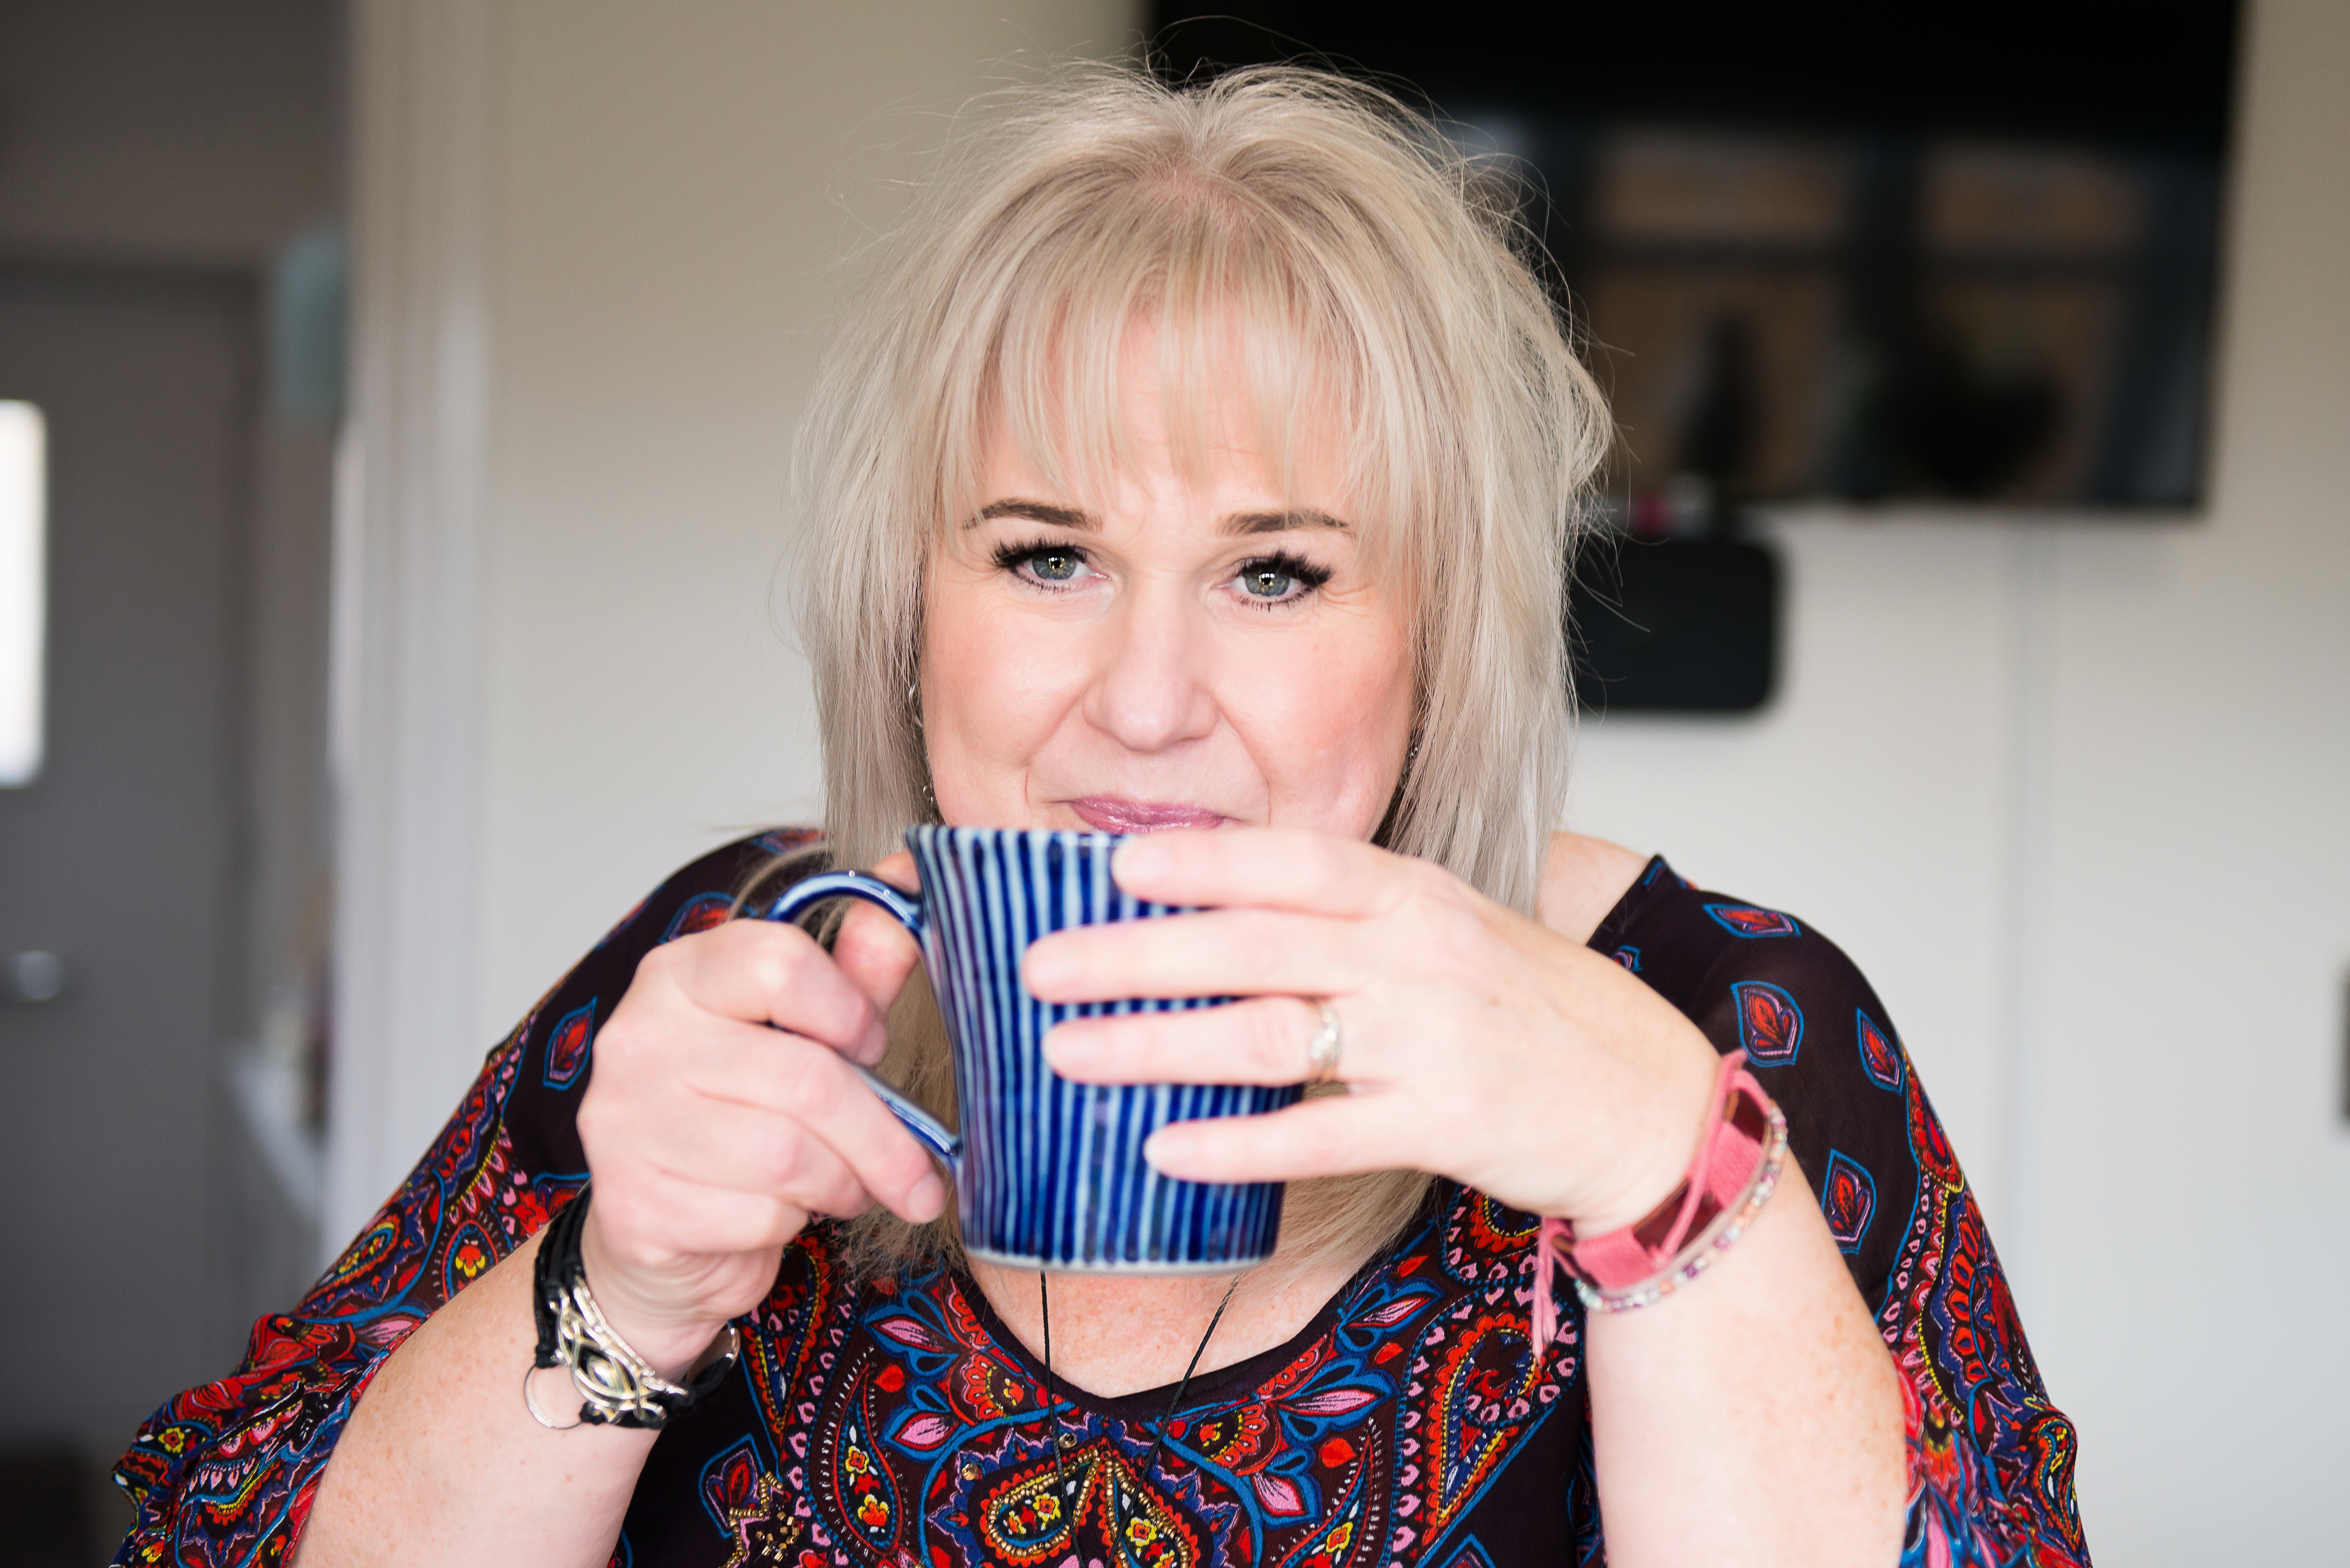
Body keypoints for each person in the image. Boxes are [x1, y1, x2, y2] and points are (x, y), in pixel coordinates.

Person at [115, 67, 2086, 1568]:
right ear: (912, 615)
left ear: (1441, 643)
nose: (1143, 702)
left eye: (1280, 572)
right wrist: (619, 1294)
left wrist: (1667, 1180)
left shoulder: (1725, 1022)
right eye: (1045, 555)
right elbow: (237, 1529)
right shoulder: (744, 973)